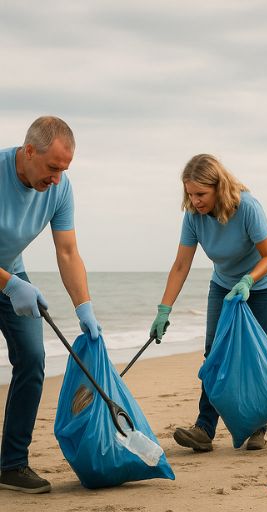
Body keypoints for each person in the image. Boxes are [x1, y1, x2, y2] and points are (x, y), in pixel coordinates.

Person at [150, 153, 267, 452]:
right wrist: (164, 310)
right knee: (215, 354)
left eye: (201, 194)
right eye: (190, 194)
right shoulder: (194, 217)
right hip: (224, 284)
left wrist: (249, 281)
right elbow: (181, 265)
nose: (195, 201)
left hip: (263, 283)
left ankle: (257, 428)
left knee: (253, 355)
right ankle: (204, 429)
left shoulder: (247, 207)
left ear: (218, 187)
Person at [0, 116, 102, 494]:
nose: (57, 178)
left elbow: (67, 250)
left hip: (10, 276)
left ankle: (11, 466)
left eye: (65, 169)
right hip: (8, 282)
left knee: (32, 358)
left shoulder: (60, 189)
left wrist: (84, 306)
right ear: (28, 151)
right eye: (53, 167)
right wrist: (10, 285)